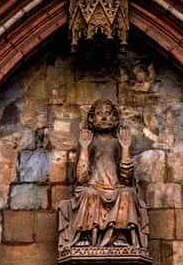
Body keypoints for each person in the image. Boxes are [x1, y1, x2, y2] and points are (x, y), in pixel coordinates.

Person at [59, 99, 146, 251]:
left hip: (116, 188)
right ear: (91, 118)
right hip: (94, 188)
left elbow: (126, 178)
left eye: (108, 114)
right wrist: (85, 147)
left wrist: (125, 147)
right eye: (99, 114)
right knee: (88, 194)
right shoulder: (88, 143)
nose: (104, 118)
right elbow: (81, 178)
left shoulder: (117, 143)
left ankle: (120, 237)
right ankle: (85, 237)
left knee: (127, 194)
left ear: (115, 118)